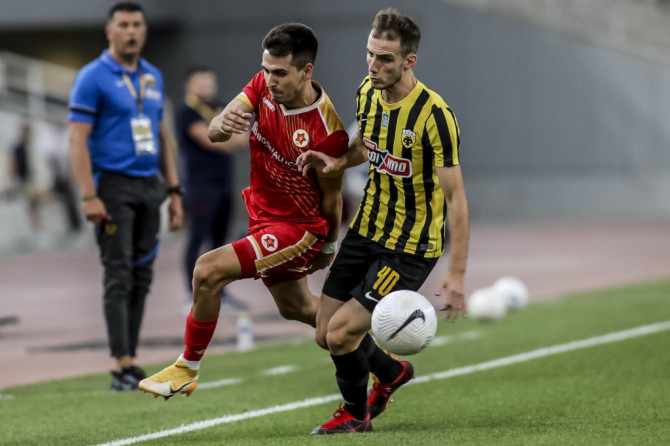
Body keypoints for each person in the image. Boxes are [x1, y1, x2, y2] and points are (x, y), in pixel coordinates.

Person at [139, 23, 349, 398]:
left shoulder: (327, 131)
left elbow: (332, 197)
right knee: (296, 306)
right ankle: (382, 353)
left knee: (207, 270)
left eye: (279, 73)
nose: (270, 80)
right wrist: (221, 123)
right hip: (263, 217)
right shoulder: (262, 84)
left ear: (306, 71)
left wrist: (329, 246)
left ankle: (187, 367)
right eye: (266, 70)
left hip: (297, 228)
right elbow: (216, 131)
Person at [296, 9, 470, 434]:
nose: (373, 66)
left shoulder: (435, 116)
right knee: (324, 333)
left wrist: (457, 272)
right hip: (366, 228)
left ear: (409, 61)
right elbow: (363, 146)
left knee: (341, 335)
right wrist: (336, 160)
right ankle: (391, 372)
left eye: (385, 59)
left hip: (409, 247)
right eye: (370, 54)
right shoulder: (367, 92)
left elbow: (456, 199)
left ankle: (355, 415)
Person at [68, 2, 183, 391]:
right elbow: (77, 140)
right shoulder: (92, 77)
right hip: (112, 187)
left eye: (137, 24)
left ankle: (131, 358)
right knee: (118, 274)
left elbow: (161, 134)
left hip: (149, 185)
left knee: (142, 275)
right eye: (124, 25)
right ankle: (122, 366)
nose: (131, 31)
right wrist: (88, 195)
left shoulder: (152, 76)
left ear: (144, 30)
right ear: (110, 31)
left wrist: (174, 191)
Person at [175, 66, 249, 312]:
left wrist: (227, 138)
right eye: (200, 82)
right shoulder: (186, 111)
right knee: (197, 238)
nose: (206, 87)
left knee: (221, 242)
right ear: (189, 85)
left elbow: (243, 137)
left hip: (224, 183)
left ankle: (221, 293)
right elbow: (211, 140)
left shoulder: (220, 107)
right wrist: (228, 139)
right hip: (200, 185)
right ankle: (193, 295)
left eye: (209, 82)